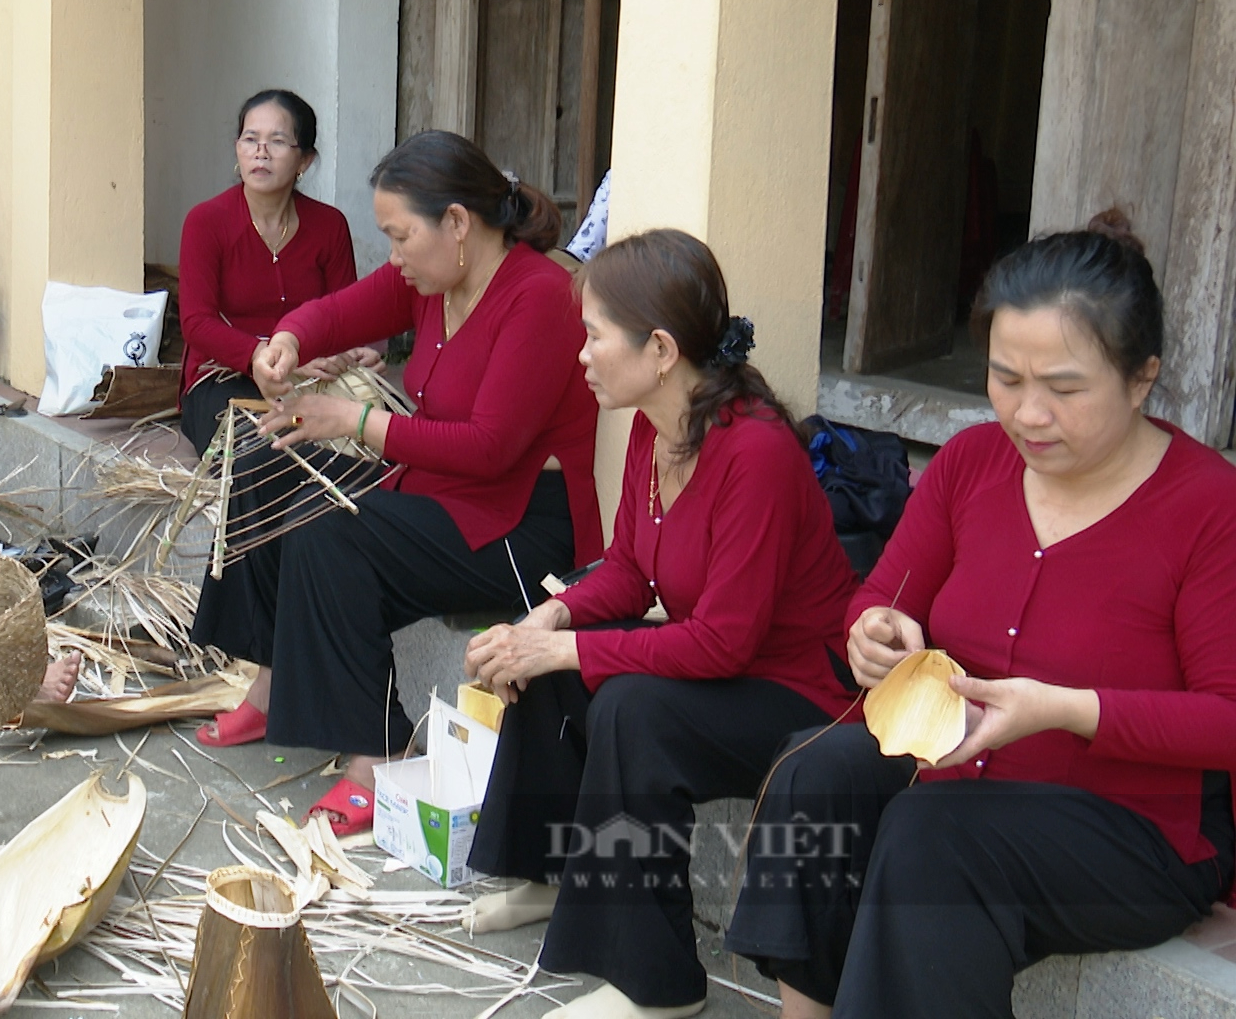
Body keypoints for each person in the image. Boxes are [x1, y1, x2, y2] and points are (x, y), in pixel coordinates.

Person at [725, 211, 1236, 1019]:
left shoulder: (1210, 506)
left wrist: (1063, 711)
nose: (1029, 414)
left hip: (1133, 830)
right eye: (1006, 379)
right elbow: (880, 598)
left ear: (1142, 379)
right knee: (813, 772)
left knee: (936, 837)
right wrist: (874, 636)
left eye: (1065, 389)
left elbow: (1227, 719)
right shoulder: (970, 464)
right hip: (958, 772)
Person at [458, 230, 860, 1019]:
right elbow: (628, 572)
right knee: (542, 662)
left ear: (662, 348)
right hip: (726, 664)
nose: (582, 354)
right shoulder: (652, 423)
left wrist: (567, 646)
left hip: (798, 694)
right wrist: (547, 618)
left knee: (632, 706)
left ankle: (660, 983)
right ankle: (544, 874)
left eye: (594, 335)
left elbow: (725, 642)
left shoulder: (758, 454)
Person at [191, 130, 603, 835]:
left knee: (330, 532)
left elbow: (491, 449)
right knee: (263, 461)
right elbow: (340, 310)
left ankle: (378, 752)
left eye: (401, 235)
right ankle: (271, 676)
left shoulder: (537, 298)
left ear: (457, 224)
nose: (394, 255)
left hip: (515, 525)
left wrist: (354, 421)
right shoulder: (429, 280)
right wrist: (287, 341)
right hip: (437, 491)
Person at [177, 89, 371, 450]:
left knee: (367, 431)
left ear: (305, 160)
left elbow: (345, 314)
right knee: (263, 450)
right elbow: (196, 323)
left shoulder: (329, 225)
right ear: (238, 149)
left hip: (307, 375)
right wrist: (259, 355)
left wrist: (352, 353)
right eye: (250, 139)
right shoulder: (206, 222)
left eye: (278, 141)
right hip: (225, 377)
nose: (260, 151)